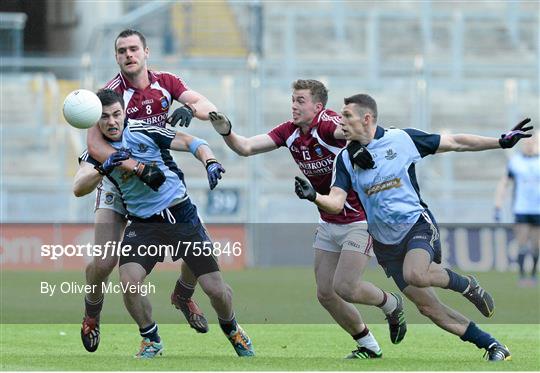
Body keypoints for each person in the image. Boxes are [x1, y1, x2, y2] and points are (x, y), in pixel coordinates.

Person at [295, 93, 533, 361]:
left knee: (416, 274)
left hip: (416, 226)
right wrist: (314, 196)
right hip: (386, 243)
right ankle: (493, 346)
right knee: (428, 307)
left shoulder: (402, 139)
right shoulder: (345, 159)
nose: (341, 121)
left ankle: (466, 285)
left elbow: (455, 142)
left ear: (367, 118)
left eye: (347, 115)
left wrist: (500, 142)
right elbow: (336, 202)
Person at [208, 79, 407, 359]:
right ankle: (368, 346)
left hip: (360, 220)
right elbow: (246, 148)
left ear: (318, 106)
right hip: (328, 221)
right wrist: (226, 131)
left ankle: (391, 304)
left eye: (300, 100)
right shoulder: (290, 132)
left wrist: (360, 146)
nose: (293, 105)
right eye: (292, 99)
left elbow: (354, 129)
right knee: (325, 294)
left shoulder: (328, 124)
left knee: (346, 287)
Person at [74, 89, 253, 358]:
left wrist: (211, 161)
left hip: (180, 215)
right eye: (104, 117)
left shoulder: (144, 131)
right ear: (96, 121)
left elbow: (193, 142)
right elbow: (79, 187)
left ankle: (232, 328)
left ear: (125, 112)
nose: (111, 122)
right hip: (144, 224)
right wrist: (103, 167)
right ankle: (151, 339)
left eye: (116, 114)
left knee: (216, 290)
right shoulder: (97, 152)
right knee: (130, 281)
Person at [81, 29, 219, 351]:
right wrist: (136, 168)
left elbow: (204, 103)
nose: (128, 55)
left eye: (133, 49)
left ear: (146, 51)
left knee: (199, 247)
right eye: (121, 51)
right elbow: (94, 145)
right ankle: (92, 310)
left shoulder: (167, 82)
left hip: (161, 181)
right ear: (116, 57)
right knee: (104, 263)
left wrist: (192, 110)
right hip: (119, 184)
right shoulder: (108, 95)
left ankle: (183, 295)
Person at [494, 134, 539, 286]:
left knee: (536, 245)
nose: (529, 144)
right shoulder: (516, 162)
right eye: (526, 142)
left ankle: (533, 275)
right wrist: (498, 205)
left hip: (538, 209)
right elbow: (504, 183)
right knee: (522, 243)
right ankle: (522, 276)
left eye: (531, 142)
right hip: (521, 208)